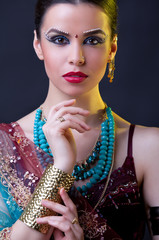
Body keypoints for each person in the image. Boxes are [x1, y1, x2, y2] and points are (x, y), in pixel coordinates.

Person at [0, 0, 159, 239]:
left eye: (92, 40)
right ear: (38, 44)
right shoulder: (3, 145)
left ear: (112, 48)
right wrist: (62, 165)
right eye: (60, 40)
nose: (77, 58)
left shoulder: (149, 147)